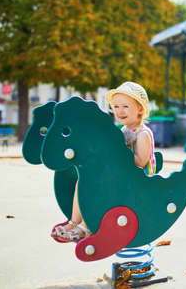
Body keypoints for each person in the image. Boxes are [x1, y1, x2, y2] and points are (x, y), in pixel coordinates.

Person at [51, 81, 156, 242]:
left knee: (98, 187)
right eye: (116, 107)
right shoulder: (122, 131)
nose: (119, 111)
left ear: (140, 108)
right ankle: (74, 221)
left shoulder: (143, 134)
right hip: (122, 177)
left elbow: (141, 162)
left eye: (125, 106)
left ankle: (87, 226)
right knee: (83, 181)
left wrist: (118, 152)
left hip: (137, 183)